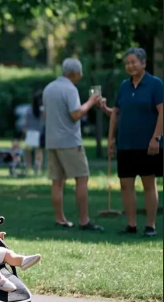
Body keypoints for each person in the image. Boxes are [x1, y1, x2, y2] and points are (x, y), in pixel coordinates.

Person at [100, 48, 163, 237]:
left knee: (148, 184)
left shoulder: (155, 84)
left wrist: (156, 138)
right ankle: (131, 225)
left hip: (148, 145)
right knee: (126, 185)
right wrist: (111, 139)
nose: (130, 65)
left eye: (134, 62)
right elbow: (116, 114)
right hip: (125, 144)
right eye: (127, 62)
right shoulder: (124, 86)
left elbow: (162, 112)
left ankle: (150, 226)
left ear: (143, 63)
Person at [42, 58, 103, 231]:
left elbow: (46, 116)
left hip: (52, 141)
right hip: (69, 141)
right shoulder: (70, 89)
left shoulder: (49, 88)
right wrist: (91, 101)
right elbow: (75, 114)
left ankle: (60, 219)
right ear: (75, 73)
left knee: (57, 181)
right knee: (82, 178)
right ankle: (84, 220)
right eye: (80, 73)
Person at [24, 91, 44, 174]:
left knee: (28, 151)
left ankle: (28, 166)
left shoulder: (29, 109)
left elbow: (26, 122)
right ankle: (38, 166)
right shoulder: (43, 109)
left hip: (30, 132)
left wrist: (24, 130)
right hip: (40, 132)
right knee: (38, 151)